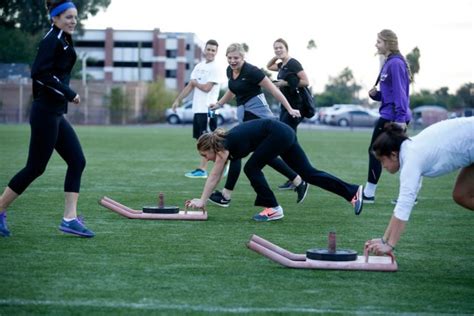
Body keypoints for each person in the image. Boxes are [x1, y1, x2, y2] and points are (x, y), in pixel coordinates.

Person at [0, 0, 94, 238]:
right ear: (54, 18)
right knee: (35, 168)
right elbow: (39, 73)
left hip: (55, 113)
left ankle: (69, 219)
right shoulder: (51, 39)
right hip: (44, 113)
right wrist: (69, 92)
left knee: (77, 160)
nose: (73, 21)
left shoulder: (62, 37)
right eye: (68, 17)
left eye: (75, 17)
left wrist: (63, 95)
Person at [185, 119, 363, 222]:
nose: (206, 159)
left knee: (251, 168)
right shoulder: (225, 144)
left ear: (210, 147)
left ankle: (273, 208)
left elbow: (214, 176)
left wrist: (202, 200)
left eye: (205, 154)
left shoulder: (222, 147)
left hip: (278, 133)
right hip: (283, 132)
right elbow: (217, 175)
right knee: (308, 173)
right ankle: (352, 192)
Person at [206, 43, 306, 213]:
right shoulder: (230, 71)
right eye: (229, 58)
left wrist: (289, 109)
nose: (232, 61)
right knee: (259, 155)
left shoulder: (252, 71)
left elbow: (274, 90)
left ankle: (226, 195)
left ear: (243, 57)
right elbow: (232, 89)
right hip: (244, 114)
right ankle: (297, 180)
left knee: (234, 152)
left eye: (236, 58)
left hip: (258, 114)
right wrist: (219, 104)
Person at [365, 118, 474, 255]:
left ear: (393, 155)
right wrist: (384, 240)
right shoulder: (409, 150)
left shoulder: (411, 158)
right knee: (461, 195)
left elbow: (405, 204)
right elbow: (401, 205)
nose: (383, 166)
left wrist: (390, 245)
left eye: (382, 161)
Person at [363, 29, 413, 204]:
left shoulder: (395, 64)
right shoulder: (389, 62)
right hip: (389, 114)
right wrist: (375, 95)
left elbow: (401, 94)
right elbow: (390, 93)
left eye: (379, 41)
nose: (376, 44)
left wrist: (400, 119)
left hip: (393, 117)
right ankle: (409, 195)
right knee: (401, 155)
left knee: (377, 151)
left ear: (388, 43)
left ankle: (369, 194)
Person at [172, 39, 221, 179]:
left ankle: (203, 169)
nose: (210, 52)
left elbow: (207, 88)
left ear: (216, 52)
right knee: (201, 140)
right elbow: (189, 86)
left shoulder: (215, 68)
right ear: (204, 50)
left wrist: (195, 83)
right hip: (198, 109)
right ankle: (222, 163)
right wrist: (178, 100)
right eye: (209, 49)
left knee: (208, 140)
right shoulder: (199, 66)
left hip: (209, 110)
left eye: (213, 50)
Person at [267, 38, 310, 190]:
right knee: (291, 141)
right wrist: (277, 56)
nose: (278, 50)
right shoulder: (283, 65)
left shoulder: (293, 63)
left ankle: (298, 177)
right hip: (286, 106)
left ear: (287, 48)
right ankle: (297, 177)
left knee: (285, 139)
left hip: (297, 106)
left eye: (280, 48)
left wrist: (284, 83)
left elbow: (305, 81)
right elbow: (269, 66)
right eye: (276, 48)